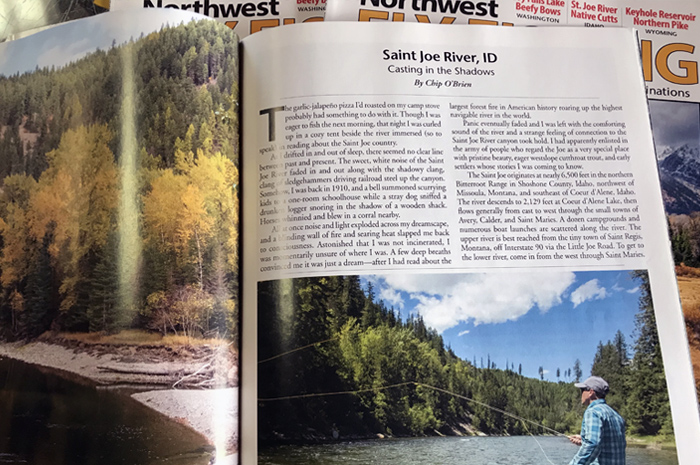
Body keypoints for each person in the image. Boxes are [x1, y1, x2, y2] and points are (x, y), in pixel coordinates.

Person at [568, 376, 626, 465]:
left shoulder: (593, 412)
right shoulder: (616, 415)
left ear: (591, 392)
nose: (581, 394)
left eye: (582, 390)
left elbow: (593, 445)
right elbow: (609, 443)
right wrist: (584, 440)